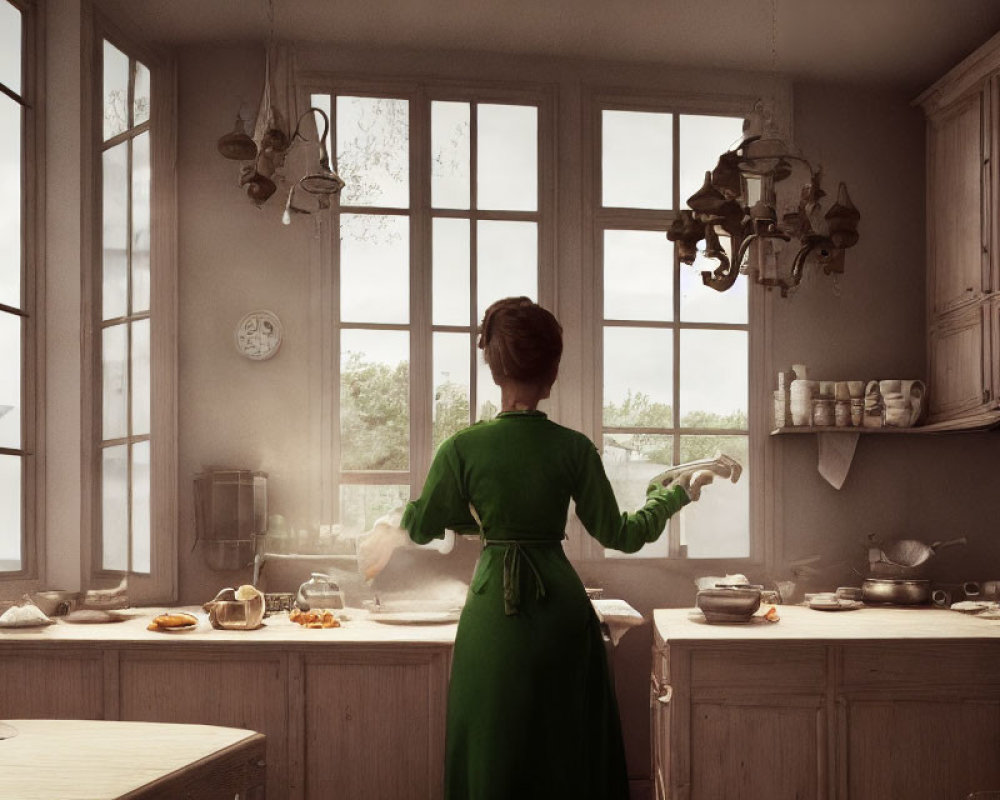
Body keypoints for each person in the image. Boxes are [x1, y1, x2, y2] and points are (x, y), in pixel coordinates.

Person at [402, 296, 707, 800]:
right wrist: (672, 494)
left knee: (492, 747)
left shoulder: (461, 448)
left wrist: (438, 517)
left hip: (492, 618)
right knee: (564, 750)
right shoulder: (573, 448)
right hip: (561, 616)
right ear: (552, 372)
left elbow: (420, 528)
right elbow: (623, 534)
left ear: (494, 369)